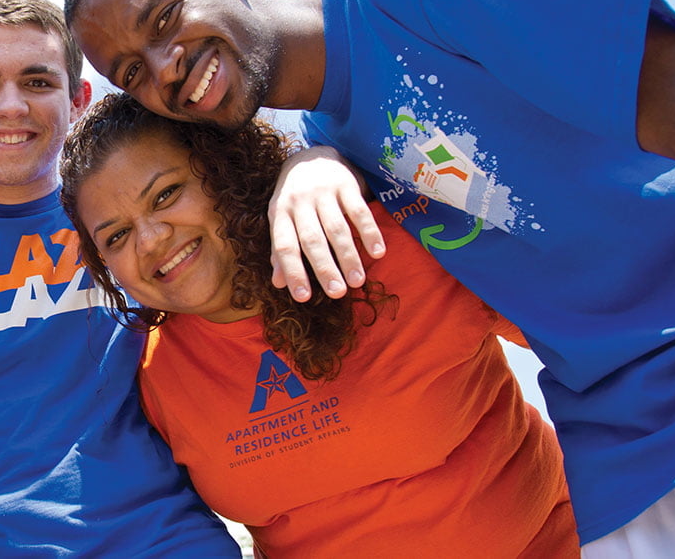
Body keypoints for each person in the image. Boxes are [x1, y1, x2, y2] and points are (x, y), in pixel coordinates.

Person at [63, 0, 675, 552]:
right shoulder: (339, 154)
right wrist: (314, 161)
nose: (164, 67)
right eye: (130, 72)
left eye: (165, 16)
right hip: (630, 463)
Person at [59, 92, 577, 557]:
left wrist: (322, 155)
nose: (149, 239)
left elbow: (598, 333)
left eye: (166, 194)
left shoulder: (387, 243)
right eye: (117, 237)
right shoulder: (150, 374)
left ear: (221, 169)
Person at [0, 0, 238, 555]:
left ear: (79, 99)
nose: (10, 106)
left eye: (38, 82)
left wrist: (315, 163)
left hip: (163, 542)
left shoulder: (128, 223)